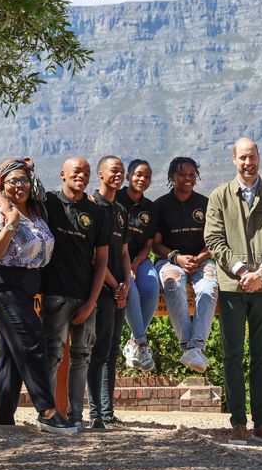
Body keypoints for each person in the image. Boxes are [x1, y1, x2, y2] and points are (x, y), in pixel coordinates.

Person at [0, 158, 71, 434]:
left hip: (23, 289)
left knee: (10, 352)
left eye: (23, 180)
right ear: (3, 186)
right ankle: (47, 411)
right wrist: (11, 222)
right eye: (12, 181)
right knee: (31, 341)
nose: (19, 185)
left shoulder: (38, 212)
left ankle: (2, 420)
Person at [204, 137, 262, 447]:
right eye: (242, 158)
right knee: (232, 355)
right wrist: (243, 272)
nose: (247, 163)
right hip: (231, 287)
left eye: (252, 156)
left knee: (260, 356)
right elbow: (214, 240)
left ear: (259, 157)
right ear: (234, 160)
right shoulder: (219, 197)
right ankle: (238, 423)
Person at [37, 157, 109, 431]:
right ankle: (48, 414)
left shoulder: (98, 214)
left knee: (82, 357)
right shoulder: (50, 204)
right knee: (52, 354)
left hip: (85, 297)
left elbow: (101, 260)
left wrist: (91, 303)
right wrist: (28, 169)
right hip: (55, 295)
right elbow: (19, 192)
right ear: (63, 174)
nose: (82, 175)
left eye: (87, 172)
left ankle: (76, 416)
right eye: (76, 171)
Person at [153, 156, 218, 373]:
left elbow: (213, 241)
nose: (188, 179)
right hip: (170, 260)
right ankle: (188, 346)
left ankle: (195, 347)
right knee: (172, 284)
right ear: (172, 176)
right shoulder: (161, 205)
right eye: (182, 174)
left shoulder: (205, 204)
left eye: (192, 175)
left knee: (209, 288)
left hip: (201, 260)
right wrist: (177, 258)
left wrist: (199, 259)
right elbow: (156, 244)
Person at [88, 155, 134, 430]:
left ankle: (107, 411)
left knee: (113, 351)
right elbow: (96, 256)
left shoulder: (121, 211)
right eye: (114, 171)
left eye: (122, 172)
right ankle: (95, 413)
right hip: (101, 289)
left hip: (119, 290)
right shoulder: (92, 207)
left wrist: (126, 284)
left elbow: (125, 252)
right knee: (98, 351)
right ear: (101, 174)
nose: (119, 175)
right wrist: (115, 285)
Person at [117, 159, 158, 372]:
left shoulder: (150, 208)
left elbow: (149, 243)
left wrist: (136, 263)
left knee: (151, 288)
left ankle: (133, 342)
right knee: (130, 290)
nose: (143, 179)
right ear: (128, 176)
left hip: (140, 260)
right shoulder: (116, 200)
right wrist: (127, 268)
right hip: (117, 260)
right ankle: (142, 344)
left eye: (147, 176)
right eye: (138, 175)